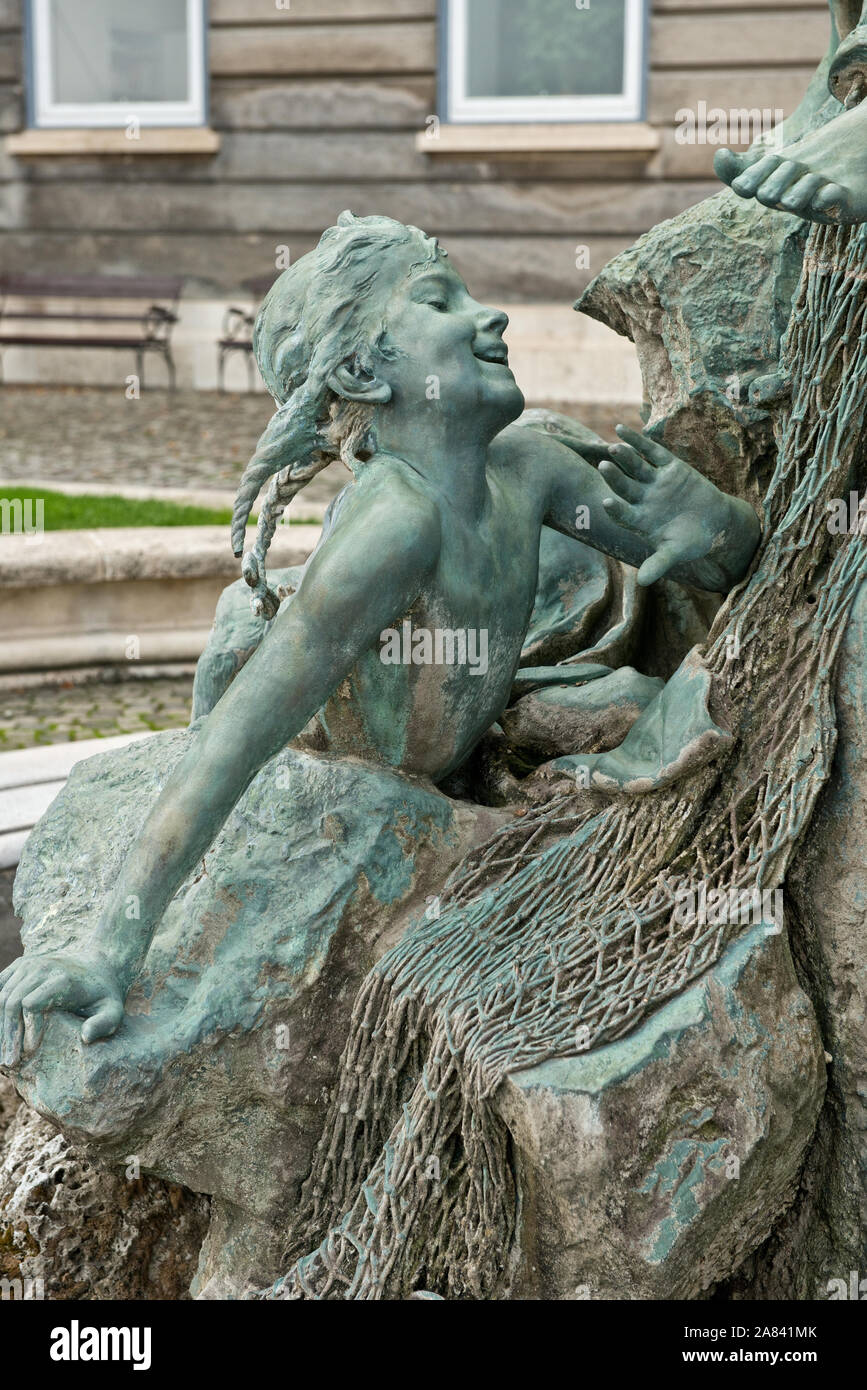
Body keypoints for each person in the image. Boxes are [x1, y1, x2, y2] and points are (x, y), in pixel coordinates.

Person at [0, 211, 759, 1067]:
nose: (489, 315)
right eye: (440, 301)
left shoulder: (530, 470)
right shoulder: (395, 525)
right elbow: (236, 737)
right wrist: (111, 949)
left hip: (454, 765)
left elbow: (699, 562)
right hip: (342, 794)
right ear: (363, 371)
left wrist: (718, 522)